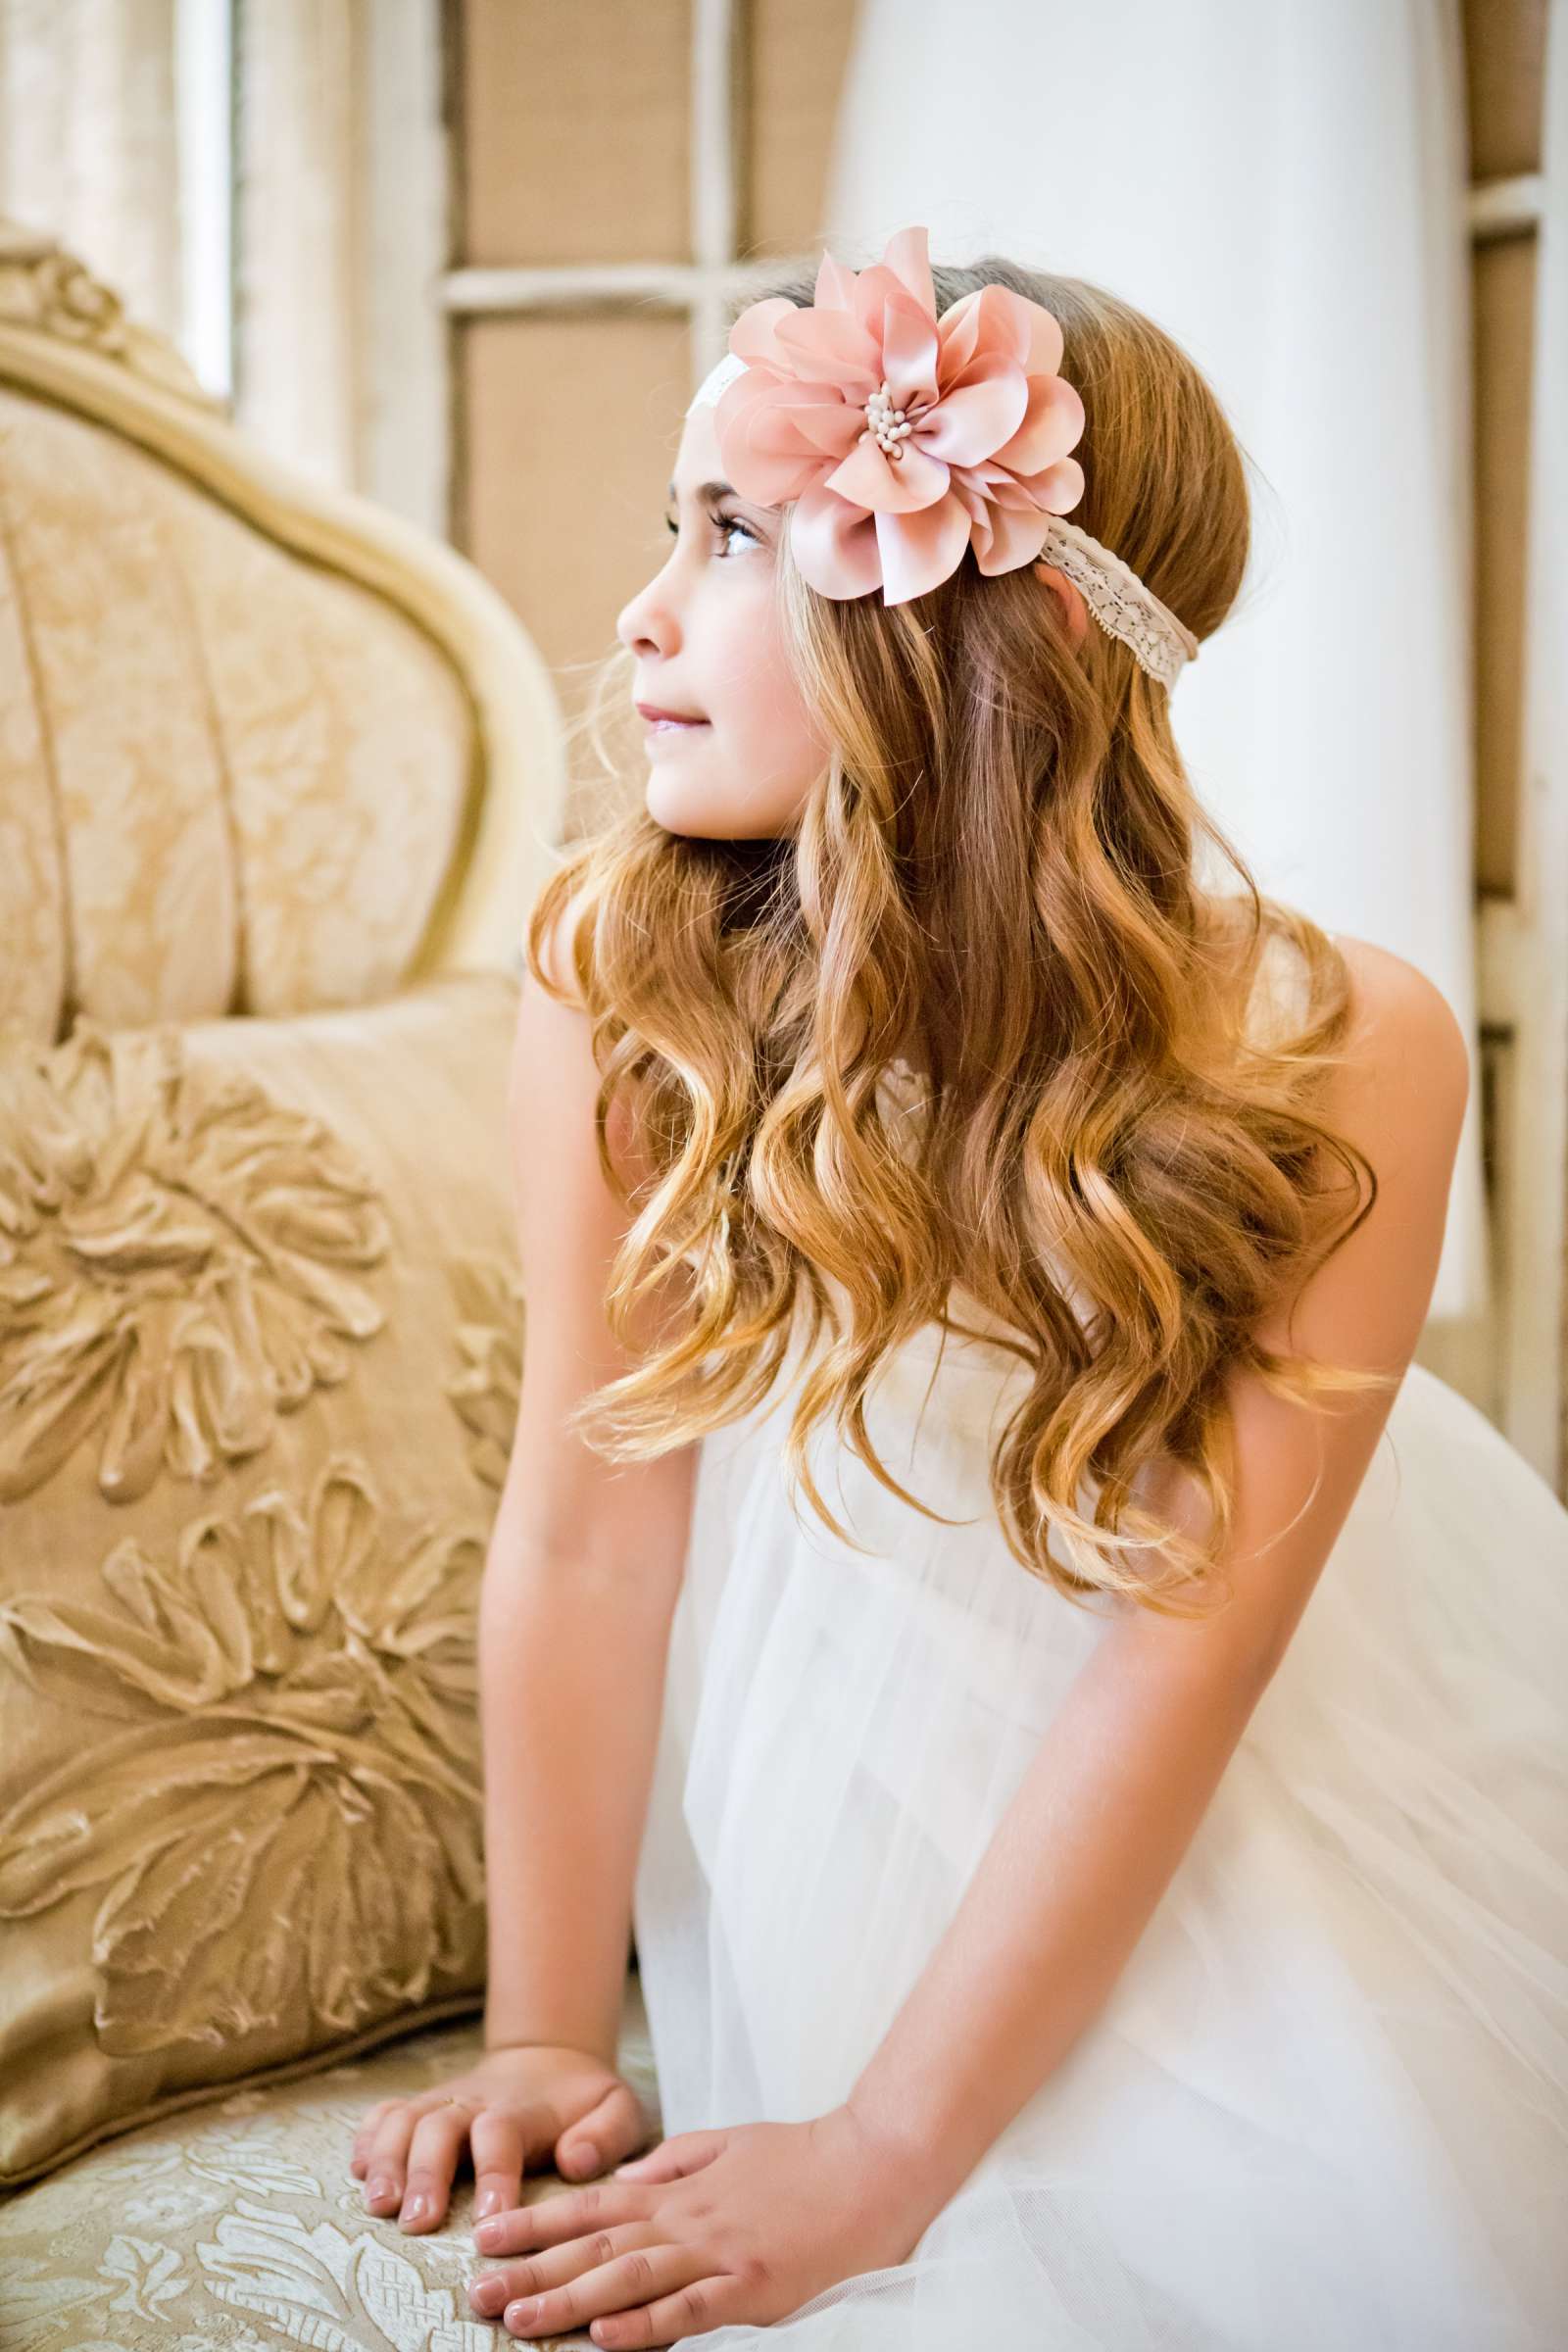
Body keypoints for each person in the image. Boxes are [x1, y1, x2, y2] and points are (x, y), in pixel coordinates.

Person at [348, 225, 1568, 2347]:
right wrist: (545, 2032)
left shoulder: (1344, 1042)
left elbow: (1179, 1655)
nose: (635, 609)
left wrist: (883, 2159)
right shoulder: (622, 984)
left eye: (729, 536)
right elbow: (590, 1531)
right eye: (672, 525)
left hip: (1239, 1744)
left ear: (951, 628)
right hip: (852, 1761)